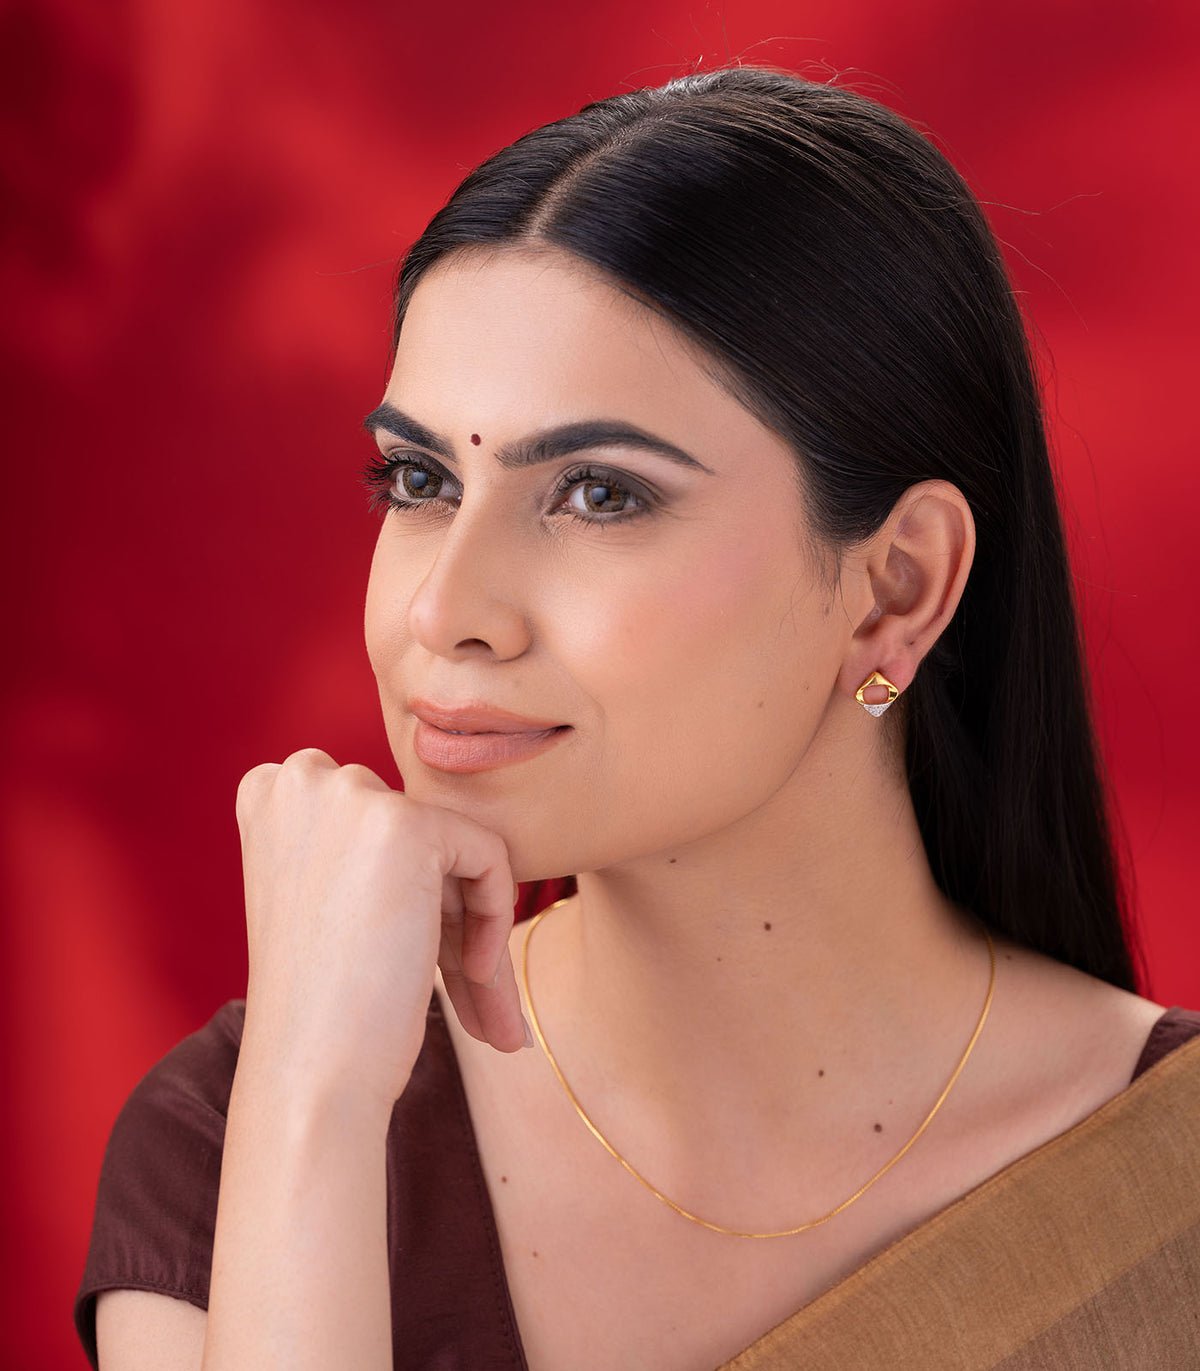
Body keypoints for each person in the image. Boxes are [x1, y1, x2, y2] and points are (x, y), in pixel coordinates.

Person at [75, 64, 1200, 1370]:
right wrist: (316, 1099)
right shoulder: (239, 1137)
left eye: (599, 494)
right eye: (420, 480)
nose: (446, 609)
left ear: (897, 588)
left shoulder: (1164, 1185)